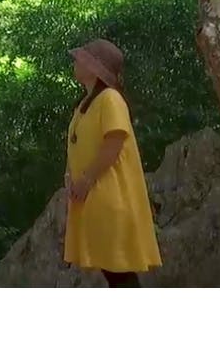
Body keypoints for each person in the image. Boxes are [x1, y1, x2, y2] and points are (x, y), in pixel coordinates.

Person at [64, 38, 161, 287]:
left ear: (95, 68)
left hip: (110, 195)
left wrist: (86, 179)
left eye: (82, 59)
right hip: (93, 196)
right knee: (112, 270)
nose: (76, 62)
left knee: (118, 270)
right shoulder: (86, 104)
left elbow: (114, 142)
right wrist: (70, 176)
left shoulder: (110, 98)